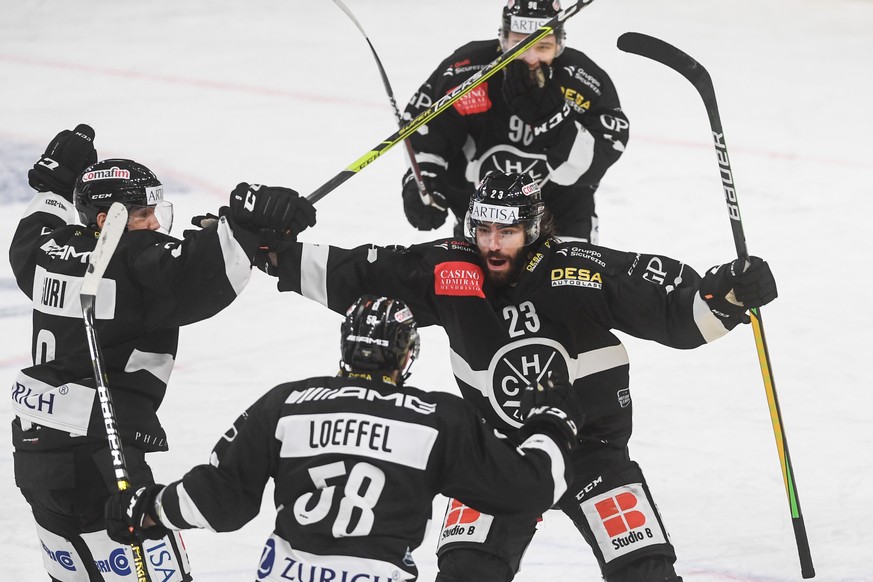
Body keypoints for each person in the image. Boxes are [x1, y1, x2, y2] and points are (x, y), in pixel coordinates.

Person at [252, 170, 777, 581]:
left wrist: (727, 294)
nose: (493, 244)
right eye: (482, 229)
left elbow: (676, 315)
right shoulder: (450, 272)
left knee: (646, 575)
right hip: (494, 459)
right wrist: (268, 248)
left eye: (507, 231)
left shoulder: (580, 271)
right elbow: (359, 273)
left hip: (590, 453)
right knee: (466, 576)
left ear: (534, 228)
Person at [9, 124, 317, 582]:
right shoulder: (130, 263)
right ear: (104, 222)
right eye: (140, 215)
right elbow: (201, 276)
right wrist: (248, 227)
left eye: (154, 211)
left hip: (35, 455)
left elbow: (36, 225)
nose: (153, 224)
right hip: (102, 456)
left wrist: (54, 184)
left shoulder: (43, 249)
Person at [104, 294, 583, 582]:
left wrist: (151, 508)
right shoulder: (438, 417)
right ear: (407, 355)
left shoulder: (286, 404)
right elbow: (528, 491)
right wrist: (552, 422)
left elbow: (221, 502)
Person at [401, 0, 629, 242]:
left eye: (543, 46)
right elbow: (427, 133)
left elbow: (590, 166)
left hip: (562, 218)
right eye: (520, 44)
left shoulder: (584, 81)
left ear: (559, 45)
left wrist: (552, 118)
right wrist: (423, 183)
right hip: (484, 221)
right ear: (503, 39)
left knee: (568, 279)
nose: (530, 58)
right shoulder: (467, 72)